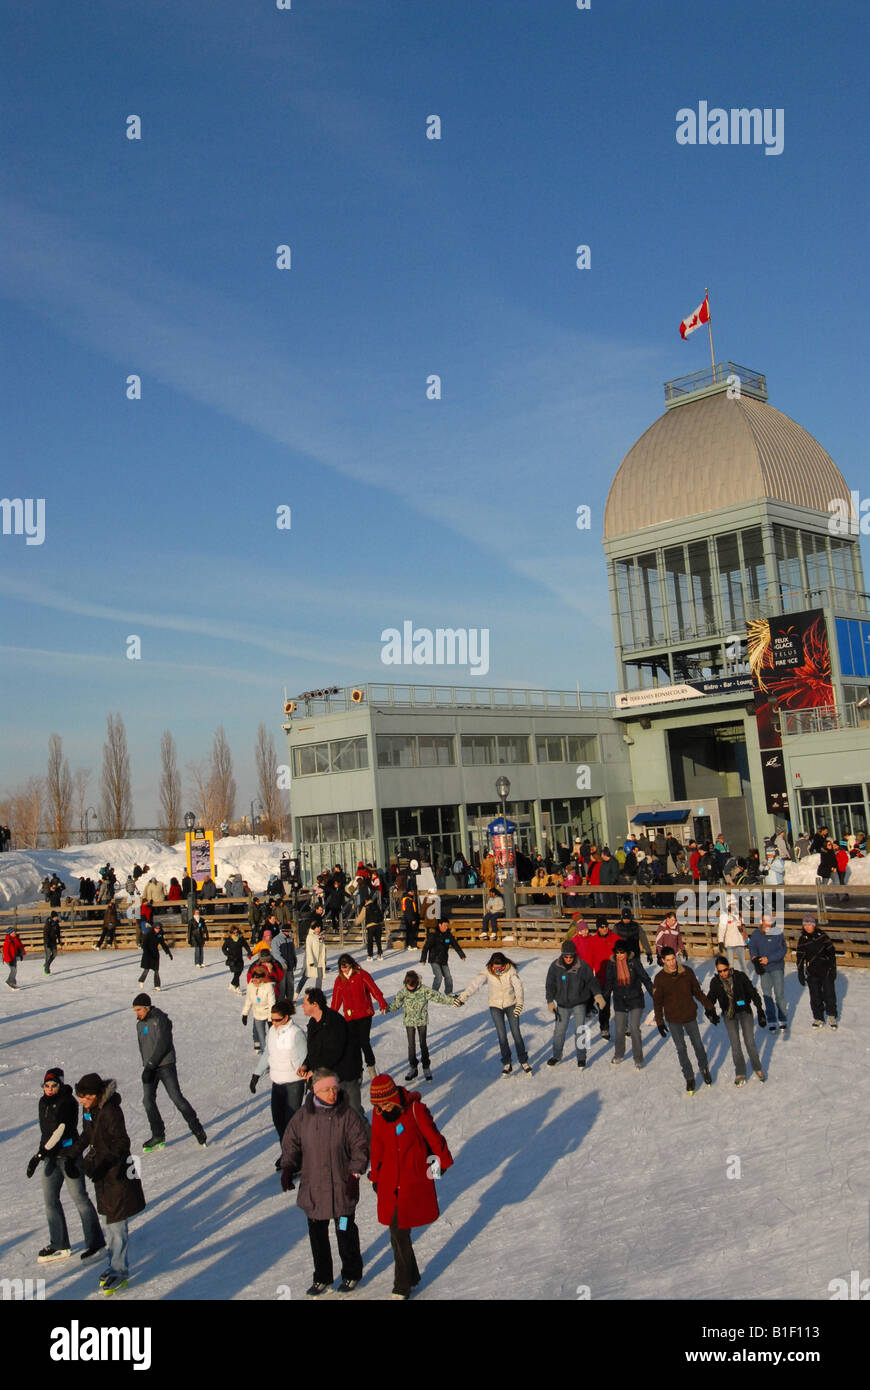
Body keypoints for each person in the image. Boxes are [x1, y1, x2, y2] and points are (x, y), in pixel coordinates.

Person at [280, 1068, 370, 1296]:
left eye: (334, 1088)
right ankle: (322, 1277)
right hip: (314, 1192)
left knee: (344, 1231)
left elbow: (361, 1146)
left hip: (341, 1191)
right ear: (316, 1091)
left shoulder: (347, 1115)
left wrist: (354, 1174)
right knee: (317, 1235)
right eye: (327, 1089)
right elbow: (291, 1142)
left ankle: (351, 1273)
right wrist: (288, 1167)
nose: (332, 1093)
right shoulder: (303, 1117)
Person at [368, 1072, 454, 1299]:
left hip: (412, 1180)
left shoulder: (415, 1110)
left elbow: (434, 1138)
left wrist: (443, 1162)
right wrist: (375, 1176)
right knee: (396, 1232)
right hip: (389, 1181)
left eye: (385, 1105)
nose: (382, 1110)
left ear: (394, 1098)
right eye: (378, 1107)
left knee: (399, 1231)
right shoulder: (379, 1116)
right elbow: (377, 1146)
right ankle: (413, 1275)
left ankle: (401, 1286)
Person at [65, 1073, 147, 1295]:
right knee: (109, 1222)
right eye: (80, 1097)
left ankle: (119, 1271)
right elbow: (87, 1135)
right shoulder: (90, 1109)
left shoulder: (110, 1111)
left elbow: (122, 1142)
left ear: (95, 1094)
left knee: (117, 1224)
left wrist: (107, 1164)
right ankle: (114, 1265)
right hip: (102, 1174)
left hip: (117, 1174)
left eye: (84, 1097)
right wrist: (72, 1155)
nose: (81, 1101)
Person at [25, 1067, 104, 1263]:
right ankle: (59, 1245)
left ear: (60, 1085)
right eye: (46, 1085)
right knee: (50, 1200)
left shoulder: (68, 1101)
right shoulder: (43, 1102)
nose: (49, 1089)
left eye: (54, 1085)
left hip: (69, 1155)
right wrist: (42, 1154)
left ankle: (96, 1243)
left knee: (80, 1198)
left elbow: (60, 1130)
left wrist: (39, 1154)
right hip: (50, 1158)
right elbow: (46, 1132)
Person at [132, 993, 207, 1150]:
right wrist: (146, 1065)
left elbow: (164, 1044)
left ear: (147, 1007)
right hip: (150, 1068)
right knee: (147, 1101)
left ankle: (197, 1128)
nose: (136, 1013)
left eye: (138, 1009)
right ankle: (158, 1134)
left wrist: (151, 1064)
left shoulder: (160, 1020)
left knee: (176, 1097)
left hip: (165, 1065)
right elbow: (143, 1047)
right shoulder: (139, 1024)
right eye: (135, 1010)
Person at [250, 998, 308, 1167]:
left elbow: (306, 1057)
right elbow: (268, 1053)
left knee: (291, 1123)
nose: (273, 1023)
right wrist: (256, 1074)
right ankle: (287, 1152)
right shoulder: (272, 1032)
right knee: (278, 1121)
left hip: (294, 1083)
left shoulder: (296, 1033)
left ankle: (295, 1159)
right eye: (271, 1020)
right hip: (277, 1082)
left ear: (286, 1017)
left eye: (276, 1020)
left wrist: (307, 1078)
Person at [652, 947, 715, 1094]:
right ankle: (689, 1077)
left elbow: (697, 992)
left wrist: (709, 1007)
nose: (672, 962)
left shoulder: (687, 972)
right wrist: (660, 1022)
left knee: (698, 1045)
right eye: (668, 960)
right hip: (673, 1019)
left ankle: (704, 1069)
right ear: (663, 961)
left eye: (673, 959)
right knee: (681, 1049)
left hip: (689, 1015)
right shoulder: (660, 979)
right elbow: (657, 1002)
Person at [458, 952, 532, 1075]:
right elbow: (475, 984)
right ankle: (507, 1063)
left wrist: (519, 1004)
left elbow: (518, 987)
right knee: (501, 1035)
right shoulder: (487, 971)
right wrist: (463, 997)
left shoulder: (510, 971)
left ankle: (523, 1061)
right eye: (495, 967)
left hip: (511, 1004)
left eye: (499, 967)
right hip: (495, 1006)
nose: (497, 969)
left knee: (516, 1033)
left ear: (504, 964)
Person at [298, 988, 364, 1118]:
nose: (302, 1006)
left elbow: (333, 1053)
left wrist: (315, 1071)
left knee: (355, 1116)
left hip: (346, 1076)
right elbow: (313, 1050)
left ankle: (366, 1138)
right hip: (329, 1077)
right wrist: (306, 1065)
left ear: (315, 1004)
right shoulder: (313, 1023)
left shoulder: (334, 1022)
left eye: (305, 1003)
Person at [386, 969, 459, 1081]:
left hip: (421, 1020)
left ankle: (426, 1067)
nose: (409, 989)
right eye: (407, 986)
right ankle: (413, 1067)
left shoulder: (424, 990)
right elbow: (396, 1004)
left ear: (416, 983)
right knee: (411, 1045)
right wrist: (387, 1009)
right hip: (409, 1021)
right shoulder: (403, 992)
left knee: (423, 1044)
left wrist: (452, 1001)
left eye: (412, 987)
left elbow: (438, 997)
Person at [544, 940, 605, 1070]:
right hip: (562, 1004)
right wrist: (550, 1001)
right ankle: (556, 1056)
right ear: (562, 955)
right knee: (559, 1031)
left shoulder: (582, 966)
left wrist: (598, 995)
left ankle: (581, 1058)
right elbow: (550, 984)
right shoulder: (555, 967)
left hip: (579, 1003)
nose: (569, 959)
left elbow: (591, 981)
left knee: (580, 1030)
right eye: (566, 956)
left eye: (571, 956)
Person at [706, 956, 767, 1085]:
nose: (723, 973)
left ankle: (757, 1067)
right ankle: (740, 1072)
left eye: (725, 970)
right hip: (729, 1015)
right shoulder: (716, 982)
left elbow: (752, 992)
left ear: (729, 966)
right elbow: (710, 998)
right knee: (735, 1045)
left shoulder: (740, 976)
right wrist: (710, 1012)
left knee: (750, 1042)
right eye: (720, 971)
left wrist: (760, 1010)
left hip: (744, 1011)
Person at [331, 954, 388, 1080]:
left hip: (364, 1014)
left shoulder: (361, 975)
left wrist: (382, 1002)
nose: (344, 970)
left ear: (351, 964)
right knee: (353, 1045)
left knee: (364, 1041)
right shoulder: (339, 980)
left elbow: (374, 989)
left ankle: (371, 1068)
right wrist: (331, 1016)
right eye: (342, 967)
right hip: (350, 1016)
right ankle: (358, 1071)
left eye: (346, 966)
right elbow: (336, 999)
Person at [602, 940, 654, 1069]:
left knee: (634, 1028)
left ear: (626, 952)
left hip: (635, 999)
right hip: (620, 1000)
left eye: (622, 952)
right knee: (619, 1029)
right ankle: (619, 1054)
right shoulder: (611, 965)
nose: (619, 955)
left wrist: (654, 993)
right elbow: (608, 983)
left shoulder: (634, 962)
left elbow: (645, 978)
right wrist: (604, 997)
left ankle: (638, 1058)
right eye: (617, 952)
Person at [746, 913, 789, 1032]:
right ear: (762, 922)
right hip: (763, 969)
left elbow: (783, 950)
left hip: (776, 967)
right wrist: (754, 957)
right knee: (767, 994)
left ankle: (782, 1017)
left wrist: (769, 959)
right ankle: (771, 1019)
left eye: (770, 921)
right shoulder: (756, 934)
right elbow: (752, 947)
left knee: (779, 993)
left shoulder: (778, 933)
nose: (768, 924)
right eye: (766, 921)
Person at [796, 915, 838, 1029]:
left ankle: (831, 1015)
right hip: (812, 972)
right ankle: (818, 1017)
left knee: (829, 994)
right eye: (805, 925)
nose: (807, 927)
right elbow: (800, 956)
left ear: (814, 925)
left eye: (809, 924)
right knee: (815, 996)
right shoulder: (802, 939)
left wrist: (833, 968)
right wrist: (800, 971)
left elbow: (831, 952)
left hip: (826, 970)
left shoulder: (822, 936)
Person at [584, 918, 621, 1041]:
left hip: (616, 976)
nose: (604, 928)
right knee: (603, 1005)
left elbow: (624, 953)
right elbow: (589, 961)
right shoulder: (593, 941)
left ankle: (624, 1026)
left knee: (621, 1003)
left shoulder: (615, 938)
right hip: (602, 978)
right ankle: (604, 1027)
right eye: (601, 926)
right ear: (597, 928)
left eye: (606, 926)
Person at [420, 919, 467, 995]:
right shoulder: (433, 935)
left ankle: (449, 992)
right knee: (438, 977)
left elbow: (455, 945)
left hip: (444, 959)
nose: (446, 927)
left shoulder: (448, 935)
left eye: (447, 926)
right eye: (444, 926)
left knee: (448, 977)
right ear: (440, 925)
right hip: (434, 959)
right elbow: (426, 947)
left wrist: (461, 955)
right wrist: (423, 959)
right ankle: (434, 994)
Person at [242, 960, 277, 1055]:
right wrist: (245, 1014)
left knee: (272, 1034)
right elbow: (248, 1001)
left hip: (267, 1012)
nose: (254, 979)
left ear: (262, 978)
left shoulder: (268, 987)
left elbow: (272, 1004)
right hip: (257, 1014)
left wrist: (270, 1019)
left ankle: (273, 1051)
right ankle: (265, 1053)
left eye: (257, 978)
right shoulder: (250, 986)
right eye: (253, 977)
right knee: (261, 1036)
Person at [137, 920, 172, 990]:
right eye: (156, 928)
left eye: (159, 928)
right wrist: (147, 953)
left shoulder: (159, 935)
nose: (158, 930)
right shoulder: (148, 934)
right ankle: (141, 980)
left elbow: (163, 943)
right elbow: (144, 945)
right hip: (148, 954)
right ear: (153, 928)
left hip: (155, 954)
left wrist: (168, 952)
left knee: (156, 970)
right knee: (146, 969)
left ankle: (157, 985)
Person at [717, 896, 748, 972]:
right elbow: (721, 929)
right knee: (730, 965)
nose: (734, 906)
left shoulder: (738, 914)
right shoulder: (724, 916)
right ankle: (731, 981)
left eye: (735, 904)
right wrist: (720, 941)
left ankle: (746, 981)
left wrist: (747, 941)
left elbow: (743, 930)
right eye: (732, 904)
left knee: (743, 965)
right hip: (730, 944)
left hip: (740, 943)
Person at [222, 925, 252, 992]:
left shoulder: (241, 939)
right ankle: (237, 987)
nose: (236, 934)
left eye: (237, 932)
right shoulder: (229, 940)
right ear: (231, 933)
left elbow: (246, 946)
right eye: (234, 932)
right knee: (236, 972)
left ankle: (232, 984)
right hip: (232, 959)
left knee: (239, 971)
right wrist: (228, 954)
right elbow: (223, 948)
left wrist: (249, 952)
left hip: (239, 958)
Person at [300, 919, 327, 994]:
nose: (318, 929)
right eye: (317, 928)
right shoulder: (310, 937)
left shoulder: (320, 937)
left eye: (319, 928)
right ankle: (296, 993)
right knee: (305, 977)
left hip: (320, 961)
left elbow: (323, 950)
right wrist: (311, 961)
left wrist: (324, 960)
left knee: (320, 977)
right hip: (313, 961)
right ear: (313, 928)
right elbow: (308, 949)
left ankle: (318, 993)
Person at [364, 892, 385, 961]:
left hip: (370, 926)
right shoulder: (376, 906)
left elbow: (360, 917)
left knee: (370, 941)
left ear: (366, 900)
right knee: (378, 941)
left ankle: (370, 955)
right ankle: (380, 954)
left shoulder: (365, 907)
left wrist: (355, 923)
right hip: (378, 926)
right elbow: (381, 915)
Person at [42, 910, 62, 975]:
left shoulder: (56, 923)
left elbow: (58, 932)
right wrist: (47, 942)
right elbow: (45, 933)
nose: (57, 918)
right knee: (48, 955)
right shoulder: (48, 923)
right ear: (53, 917)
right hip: (48, 941)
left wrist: (59, 940)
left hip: (53, 941)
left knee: (54, 953)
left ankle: (46, 964)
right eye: (56, 917)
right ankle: (47, 970)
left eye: (57, 917)